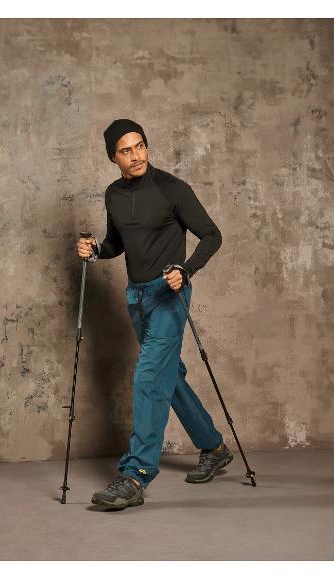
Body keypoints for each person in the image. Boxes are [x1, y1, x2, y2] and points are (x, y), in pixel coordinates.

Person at [76, 118, 232, 510]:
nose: (136, 155)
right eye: (126, 150)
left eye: (140, 146)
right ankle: (213, 447)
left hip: (168, 295)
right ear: (113, 157)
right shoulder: (113, 194)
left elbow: (212, 234)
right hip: (136, 298)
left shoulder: (172, 189)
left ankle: (135, 475)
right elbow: (116, 243)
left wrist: (185, 269)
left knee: (148, 375)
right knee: (168, 376)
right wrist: (95, 250)